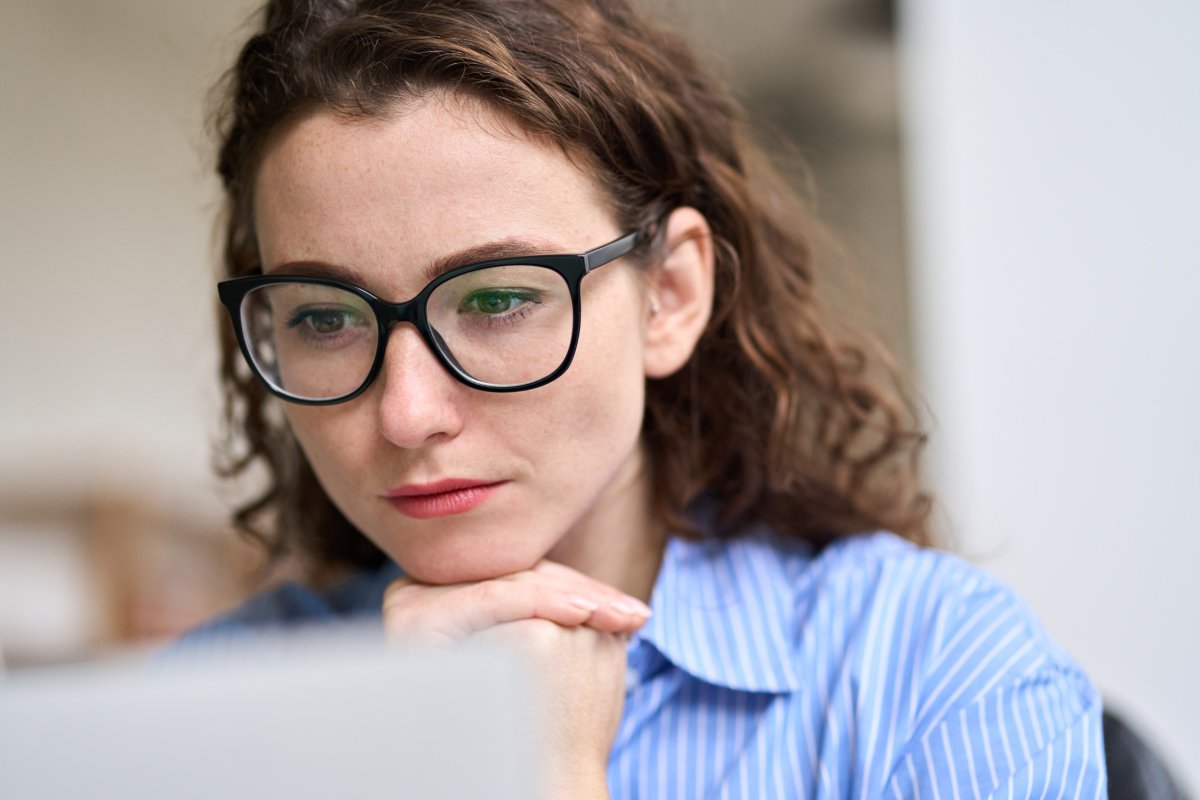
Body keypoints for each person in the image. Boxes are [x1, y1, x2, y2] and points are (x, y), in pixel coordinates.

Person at [195, 0, 1108, 796]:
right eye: (324, 319)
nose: (406, 413)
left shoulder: (939, 677)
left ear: (670, 294)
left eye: (500, 300)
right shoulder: (206, 710)